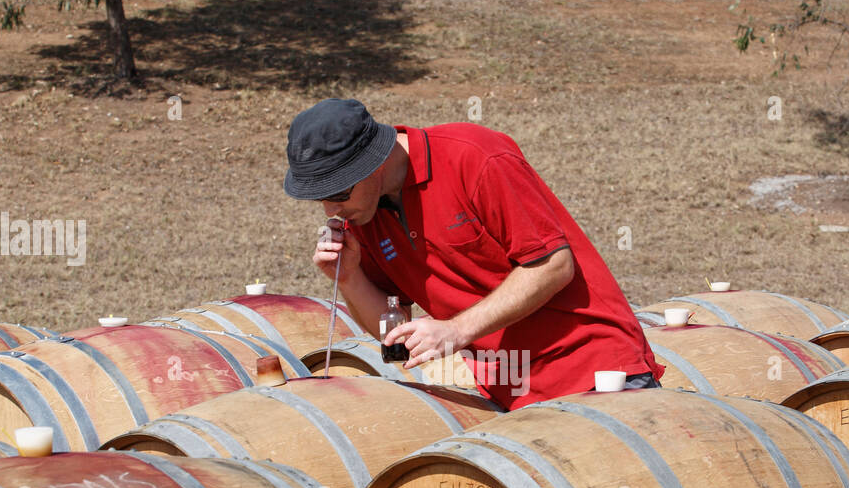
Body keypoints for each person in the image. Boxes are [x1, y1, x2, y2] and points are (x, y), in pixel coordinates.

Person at [283, 98, 663, 409]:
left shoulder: (476, 157)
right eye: (320, 199)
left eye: (338, 194)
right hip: (509, 392)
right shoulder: (364, 214)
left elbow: (553, 266)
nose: (331, 210)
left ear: (374, 162)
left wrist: (456, 330)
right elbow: (393, 330)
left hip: (597, 373)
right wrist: (349, 277)